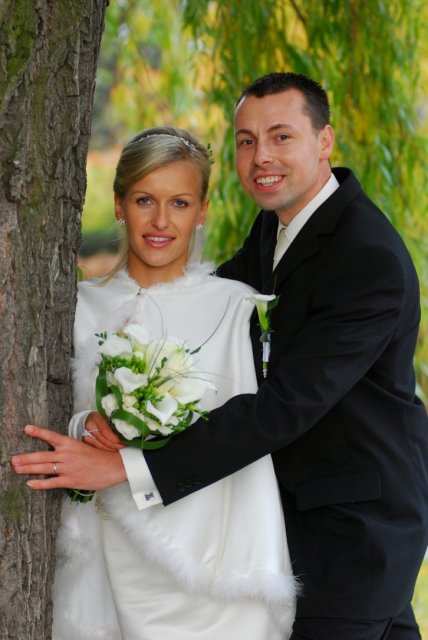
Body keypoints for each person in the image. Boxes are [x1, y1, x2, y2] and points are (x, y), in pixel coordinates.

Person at [84, 73, 428, 639]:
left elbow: (285, 406)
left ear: (325, 140)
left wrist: (131, 467)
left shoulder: (366, 258)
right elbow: (207, 307)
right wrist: (127, 388)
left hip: (353, 532)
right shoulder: (277, 226)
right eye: (247, 141)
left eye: (280, 136)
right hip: (304, 519)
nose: (261, 156)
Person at [10, 127, 297, 639]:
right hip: (107, 557)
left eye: (180, 203)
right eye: (145, 200)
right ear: (119, 205)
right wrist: (86, 425)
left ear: (202, 211)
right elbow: (57, 408)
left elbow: (246, 434)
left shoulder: (235, 307)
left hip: (208, 568)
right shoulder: (74, 307)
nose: (161, 221)